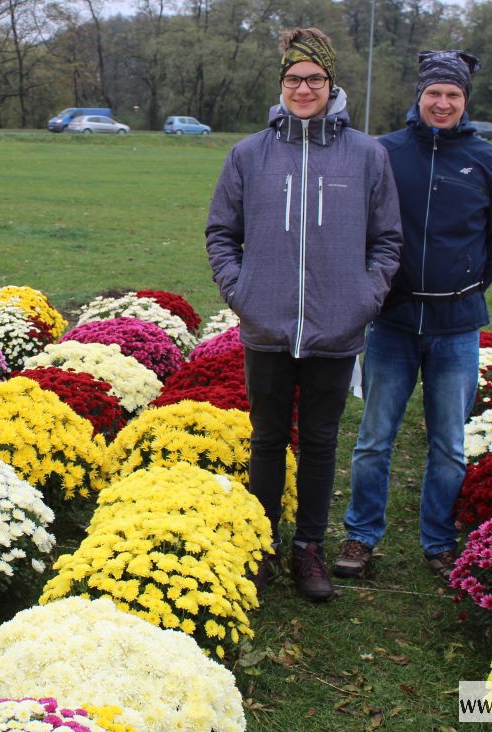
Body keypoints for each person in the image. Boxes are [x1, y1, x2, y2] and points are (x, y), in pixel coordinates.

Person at [206, 27, 403, 602]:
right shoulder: (249, 154)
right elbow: (221, 233)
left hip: (336, 329)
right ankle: (263, 544)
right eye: (294, 78)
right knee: (268, 438)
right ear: (281, 83)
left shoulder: (366, 154)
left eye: (315, 79)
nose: (303, 89)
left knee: (319, 441)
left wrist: (363, 300)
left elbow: (387, 240)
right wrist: (241, 293)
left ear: (331, 84)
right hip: (265, 325)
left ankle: (307, 549)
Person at [336, 50, 492, 582]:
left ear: (465, 100)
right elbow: (360, 228)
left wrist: (465, 285)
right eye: (434, 93)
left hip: (456, 326)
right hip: (392, 322)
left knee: (449, 445)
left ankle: (438, 542)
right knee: (374, 439)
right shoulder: (384, 152)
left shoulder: (487, 160)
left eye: (453, 94)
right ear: (419, 97)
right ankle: (361, 536)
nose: (442, 102)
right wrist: (379, 291)